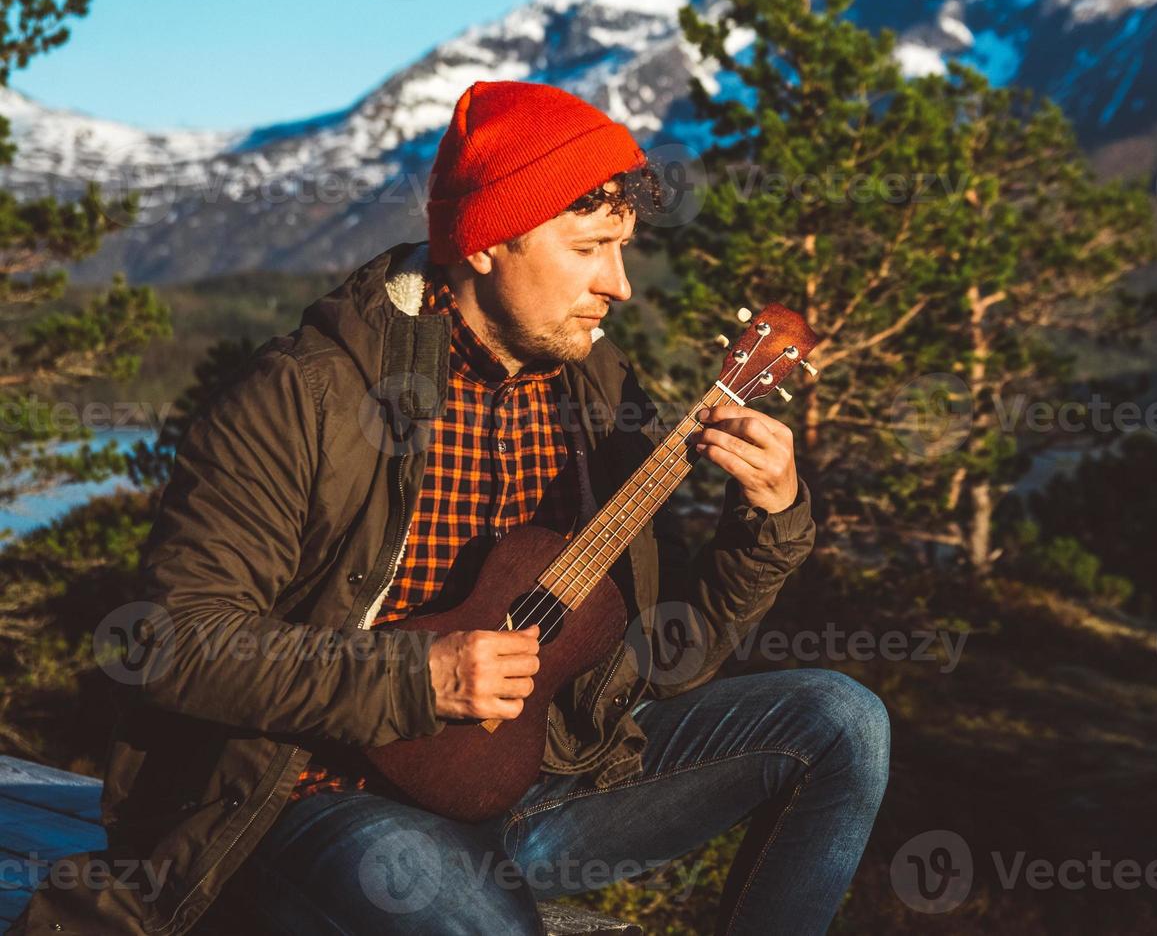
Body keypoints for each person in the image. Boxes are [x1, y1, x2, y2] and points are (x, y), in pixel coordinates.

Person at [10, 81, 888, 936]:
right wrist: (417, 678)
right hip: (313, 801)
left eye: (623, 248)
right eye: (588, 249)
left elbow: (661, 662)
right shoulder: (308, 394)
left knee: (842, 721)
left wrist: (768, 522)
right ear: (484, 243)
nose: (618, 285)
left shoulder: (596, 399)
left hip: (534, 786)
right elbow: (174, 641)